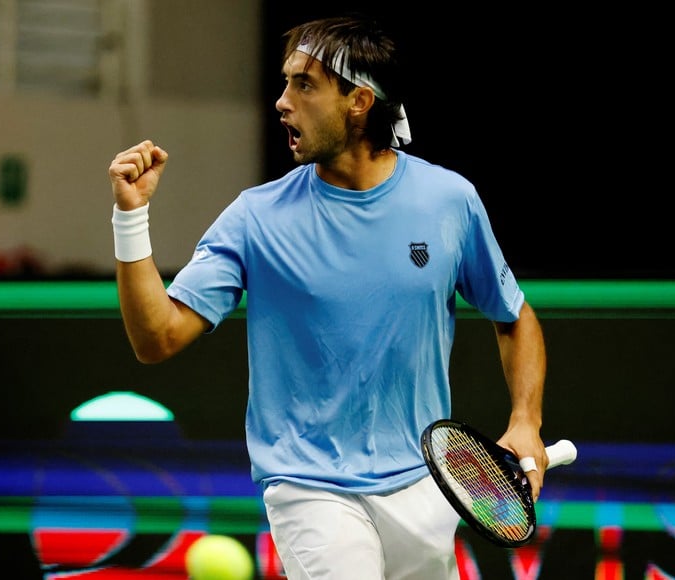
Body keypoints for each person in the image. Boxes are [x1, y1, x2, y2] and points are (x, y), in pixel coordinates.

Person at [108, 14, 547, 580]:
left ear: (358, 102)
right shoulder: (256, 218)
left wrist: (526, 419)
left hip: (425, 483)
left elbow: (514, 316)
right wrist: (130, 217)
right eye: (286, 82)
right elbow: (156, 338)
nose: (282, 102)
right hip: (308, 485)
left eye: (304, 84)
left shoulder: (449, 201)